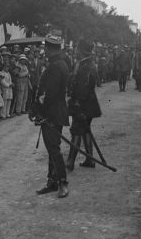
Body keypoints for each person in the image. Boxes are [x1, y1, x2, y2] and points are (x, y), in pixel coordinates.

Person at [35, 35, 70, 198]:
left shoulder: (56, 66)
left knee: (53, 149)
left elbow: (51, 94)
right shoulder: (59, 63)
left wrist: (41, 112)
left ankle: (62, 183)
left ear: (49, 48)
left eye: (46, 48)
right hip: (55, 111)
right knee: (52, 148)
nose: (44, 50)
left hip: (52, 113)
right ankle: (52, 181)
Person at [66, 39, 102, 171]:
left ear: (81, 51)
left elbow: (82, 88)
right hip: (89, 104)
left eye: (77, 49)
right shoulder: (89, 64)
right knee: (86, 130)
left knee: (76, 131)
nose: (75, 51)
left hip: (81, 104)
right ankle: (90, 159)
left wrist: (77, 104)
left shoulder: (84, 66)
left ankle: (70, 161)